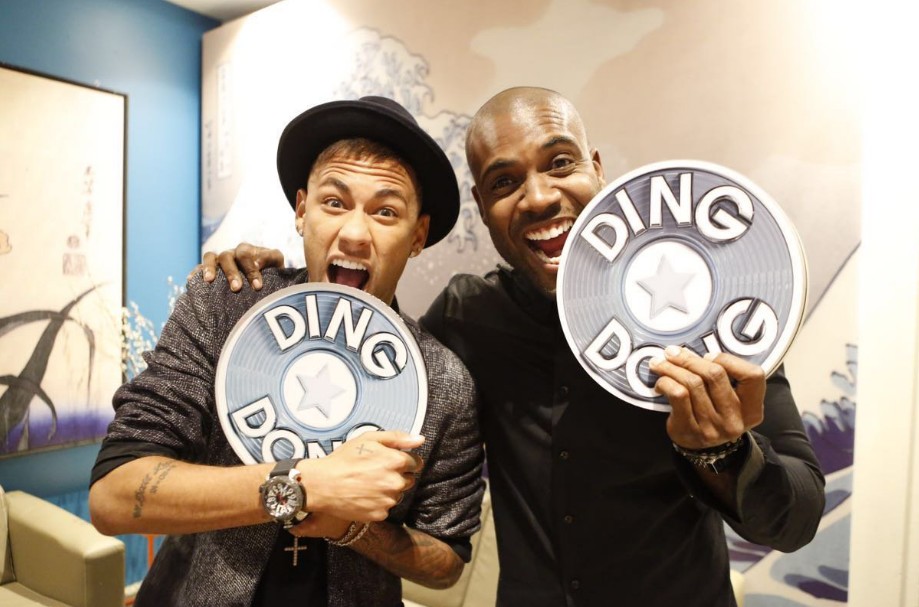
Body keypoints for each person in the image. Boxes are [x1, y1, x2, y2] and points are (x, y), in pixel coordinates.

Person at [203, 87, 825, 607]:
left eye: (560, 163)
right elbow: (366, 356)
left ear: (597, 169)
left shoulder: (707, 316)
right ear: (482, 205)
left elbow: (794, 520)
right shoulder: (466, 317)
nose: (539, 196)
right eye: (505, 181)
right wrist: (273, 286)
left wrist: (724, 452)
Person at [89, 96, 485, 607]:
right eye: (334, 203)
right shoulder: (225, 306)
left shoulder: (444, 381)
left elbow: (446, 560)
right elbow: (114, 494)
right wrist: (304, 484)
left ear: (418, 235)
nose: (354, 233)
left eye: (386, 211)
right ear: (302, 211)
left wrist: (352, 528)